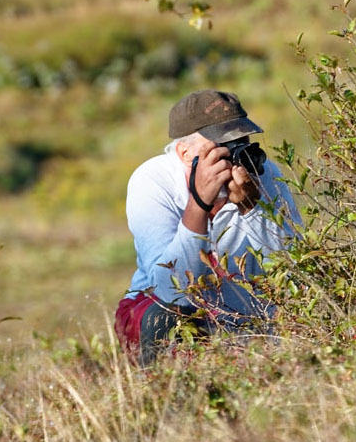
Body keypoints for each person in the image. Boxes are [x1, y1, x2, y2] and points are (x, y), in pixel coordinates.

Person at [114, 89, 301, 365]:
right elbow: (169, 291)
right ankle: (162, 384)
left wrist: (251, 208)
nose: (235, 156)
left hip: (241, 313)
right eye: (222, 147)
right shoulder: (153, 181)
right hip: (160, 310)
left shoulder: (266, 173)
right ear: (184, 153)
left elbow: (293, 269)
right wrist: (199, 204)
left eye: (241, 142)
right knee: (164, 318)